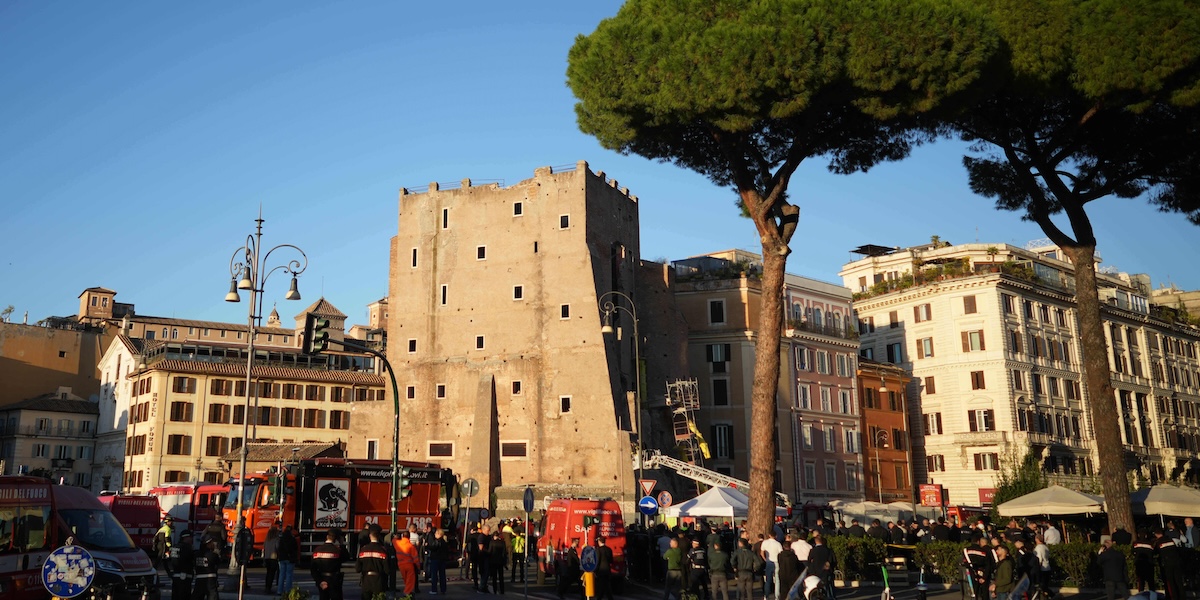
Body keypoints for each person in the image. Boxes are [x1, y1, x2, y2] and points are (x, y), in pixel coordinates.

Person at [312, 532, 348, 600]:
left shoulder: (317, 550)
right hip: (335, 581)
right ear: (335, 539)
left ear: (327, 537)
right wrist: (342, 544)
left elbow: (313, 569)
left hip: (322, 579)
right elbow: (346, 557)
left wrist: (320, 581)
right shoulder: (337, 550)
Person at [357, 531, 390, 600]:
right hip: (379, 580)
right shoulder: (382, 550)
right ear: (379, 537)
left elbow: (358, 568)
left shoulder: (363, 549)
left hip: (366, 580)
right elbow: (387, 569)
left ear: (370, 537)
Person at [1153, 528, 1185, 600]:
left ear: (1156, 534)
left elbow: (1155, 552)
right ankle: (1182, 597)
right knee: (1178, 581)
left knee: (1170, 582)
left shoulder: (1158, 542)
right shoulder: (1170, 540)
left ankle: (1173, 597)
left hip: (1167, 564)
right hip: (1177, 562)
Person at [965, 536, 994, 600]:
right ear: (978, 542)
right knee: (985, 592)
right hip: (983, 572)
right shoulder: (983, 551)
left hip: (972, 573)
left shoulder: (966, 550)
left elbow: (965, 563)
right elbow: (988, 565)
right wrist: (984, 577)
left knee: (975, 592)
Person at [394, 528, 420, 597]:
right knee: (410, 580)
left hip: (400, 565)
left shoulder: (397, 543)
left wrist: (395, 537)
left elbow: (393, 540)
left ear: (402, 536)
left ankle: (408, 591)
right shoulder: (411, 546)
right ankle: (407, 593)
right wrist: (418, 567)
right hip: (409, 565)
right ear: (409, 537)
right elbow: (416, 559)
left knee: (406, 579)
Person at [170, 529, 194, 600]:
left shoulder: (175, 547)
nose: (191, 539)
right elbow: (190, 560)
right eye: (190, 537)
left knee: (175, 596)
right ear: (186, 537)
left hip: (175, 576)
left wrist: (169, 572)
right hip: (184, 577)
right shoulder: (186, 548)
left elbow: (166, 560)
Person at [761, 531, 784, 600]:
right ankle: (777, 596)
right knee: (777, 580)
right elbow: (781, 554)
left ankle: (766, 596)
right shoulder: (778, 544)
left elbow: (762, 552)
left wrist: (765, 559)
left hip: (769, 562)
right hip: (776, 562)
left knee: (768, 580)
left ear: (769, 535)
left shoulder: (765, 542)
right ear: (775, 536)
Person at [426, 528, 450, 595]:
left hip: (436, 559)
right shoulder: (444, 542)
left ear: (439, 534)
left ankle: (434, 589)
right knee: (442, 575)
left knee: (434, 575)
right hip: (443, 560)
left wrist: (427, 545)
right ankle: (443, 589)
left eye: (436, 533)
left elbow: (433, 547)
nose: (435, 535)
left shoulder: (437, 541)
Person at [278, 524, 298, 594]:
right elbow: (295, 549)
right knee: (289, 574)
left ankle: (279, 590)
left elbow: (279, 548)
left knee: (281, 574)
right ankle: (288, 590)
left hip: (282, 558)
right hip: (290, 558)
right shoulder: (292, 539)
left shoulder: (281, 538)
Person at [234, 520, 254, 590]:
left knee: (242, 569)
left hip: (240, 552)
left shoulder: (242, 531)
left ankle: (242, 583)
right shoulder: (246, 531)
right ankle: (243, 583)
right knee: (243, 569)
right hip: (242, 552)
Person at [596, 536, 616, 600]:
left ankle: (600, 597)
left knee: (601, 585)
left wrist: (595, 570)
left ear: (599, 542)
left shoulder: (598, 550)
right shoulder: (609, 549)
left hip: (601, 571)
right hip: (607, 570)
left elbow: (597, 560)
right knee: (607, 585)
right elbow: (611, 560)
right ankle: (609, 597)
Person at [489, 531, 508, 595]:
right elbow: (505, 553)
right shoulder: (502, 543)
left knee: (494, 577)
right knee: (501, 577)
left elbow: (490, 552)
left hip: (493, 561)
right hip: (500, 561)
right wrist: (505, 562)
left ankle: (495, 590)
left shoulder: (492, 542)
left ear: (494, 536)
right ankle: (502, 590)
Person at [263, 522, 280, 594]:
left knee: (268, 573)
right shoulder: (276, 539)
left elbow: (264, 549)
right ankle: (269, 588)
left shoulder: (267, 540)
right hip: (273, 557)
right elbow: (278, 548)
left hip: (267, 557)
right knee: (272, 574)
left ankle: (267, 587)